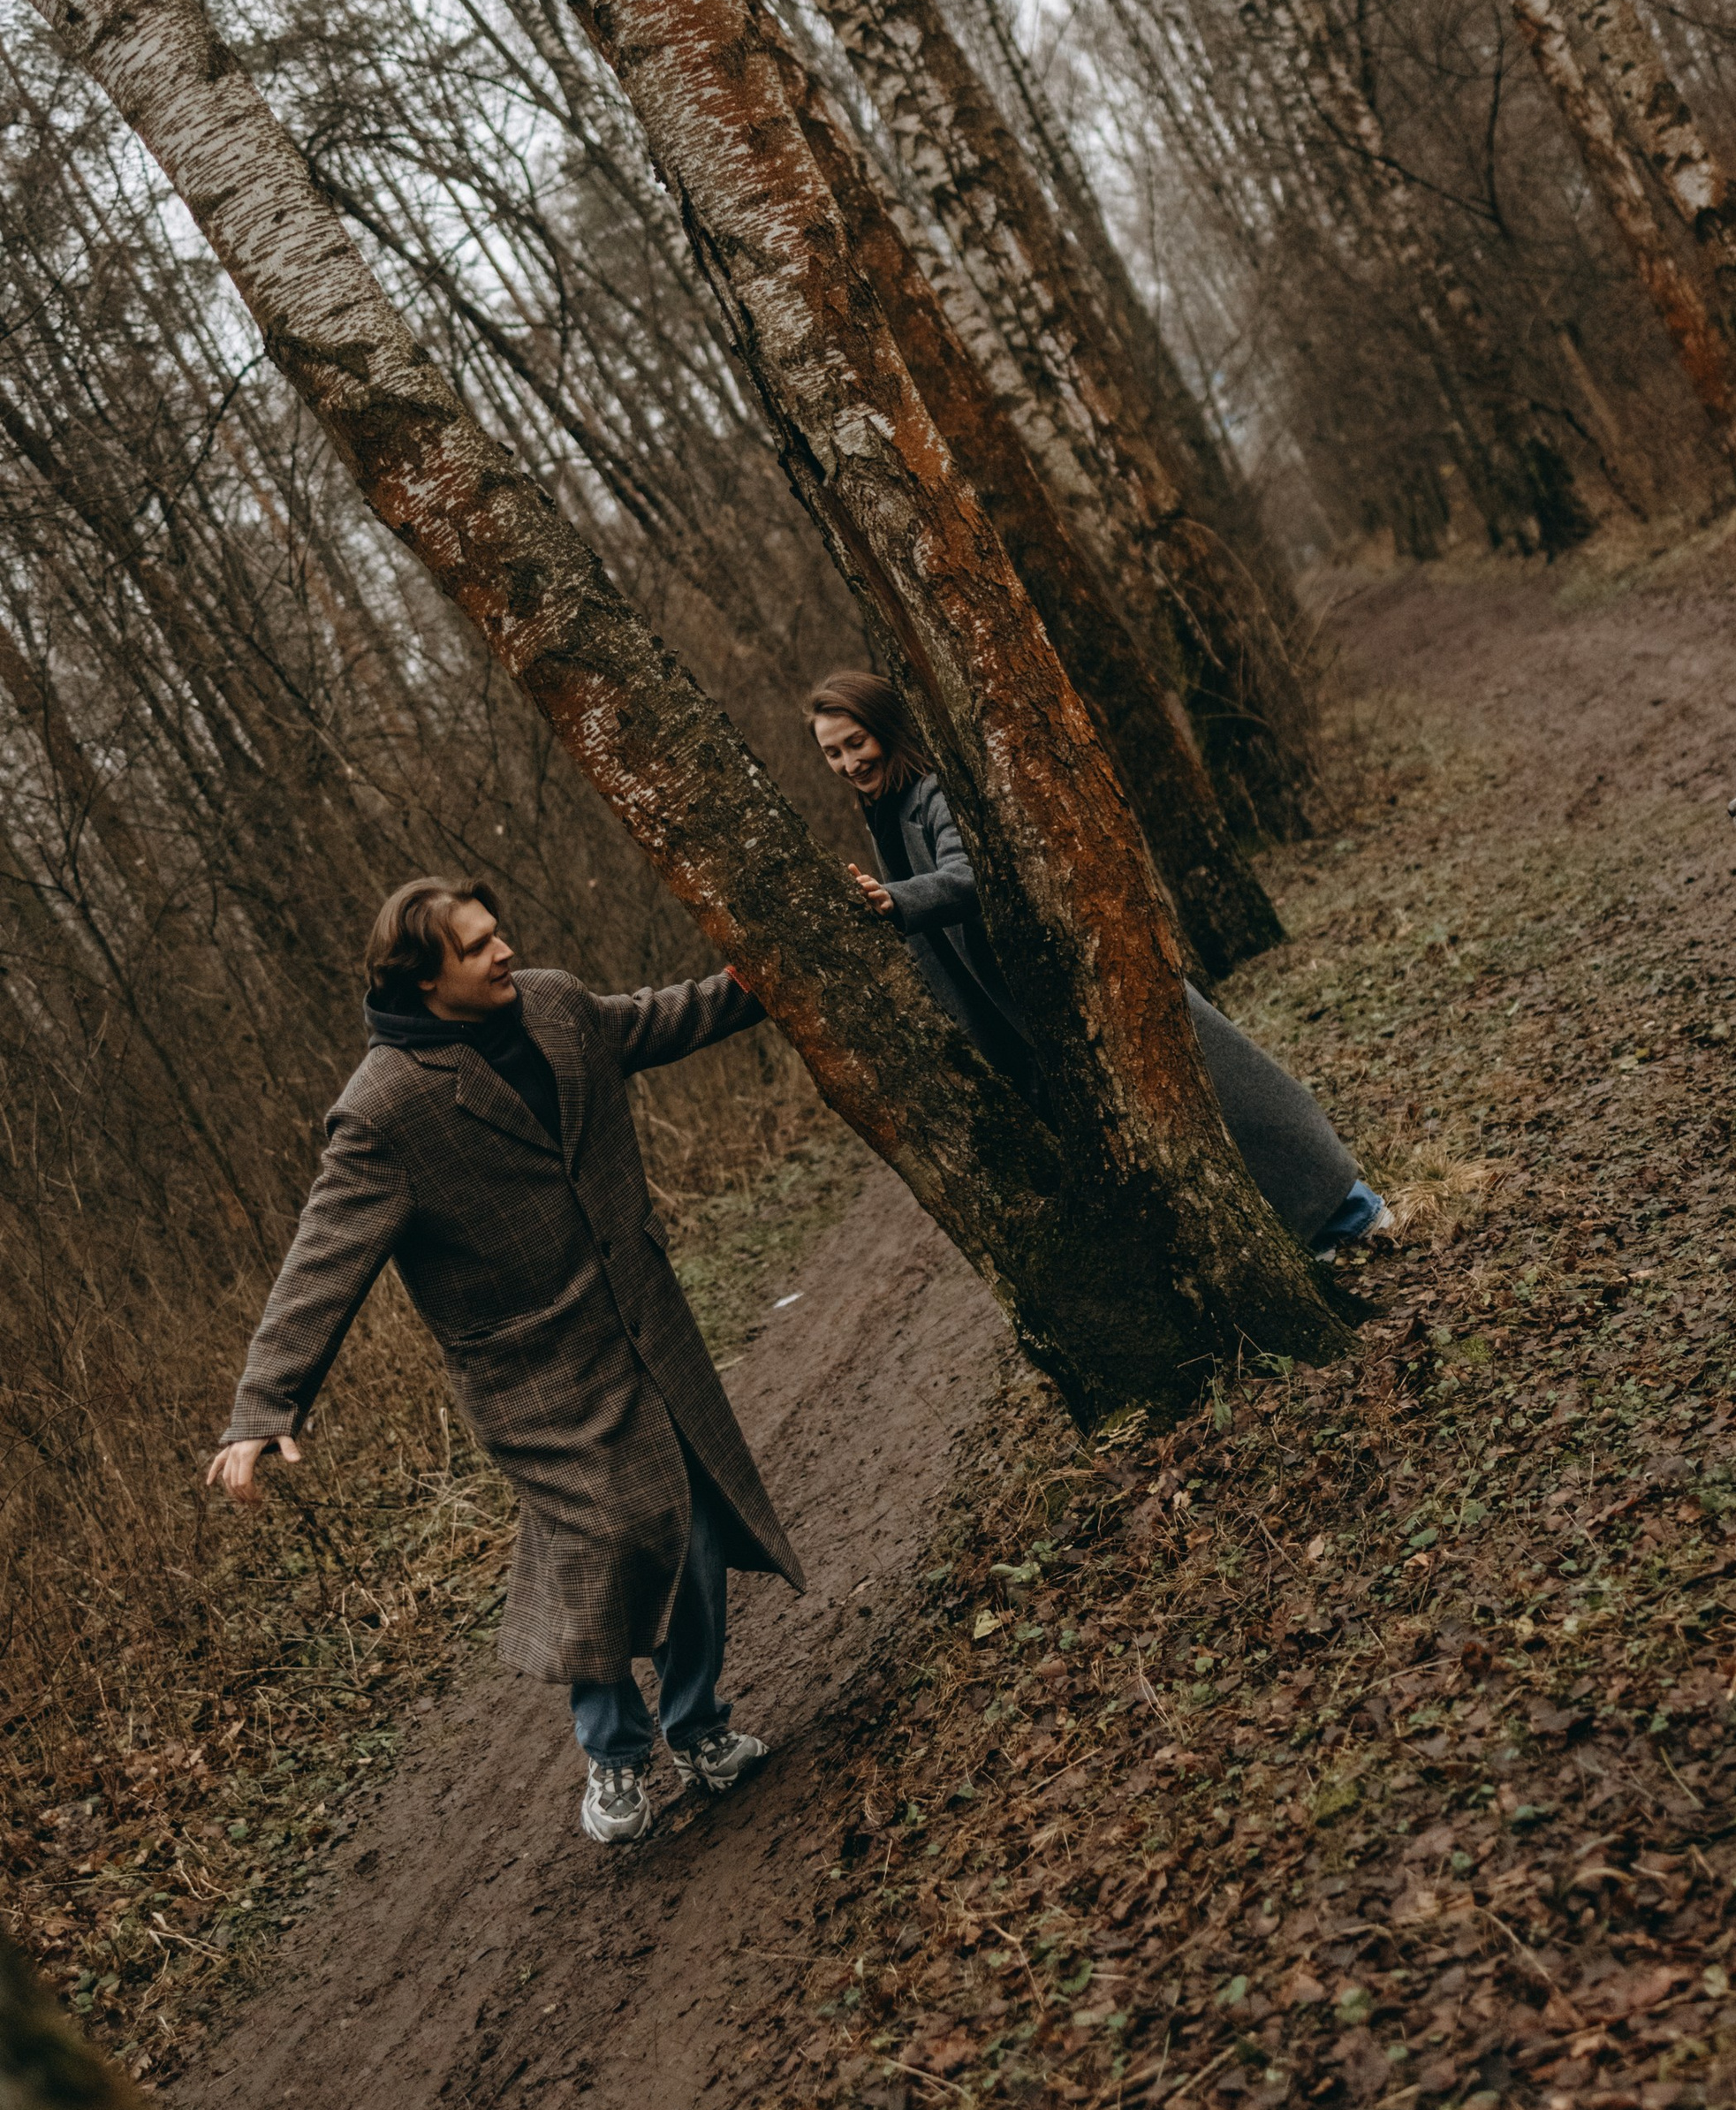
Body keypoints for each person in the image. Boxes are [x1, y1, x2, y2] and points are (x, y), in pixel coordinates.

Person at [208, 877, 804, 1850]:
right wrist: (263, 1406)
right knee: (605, 1539)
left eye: (498, 935)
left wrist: (771, 973)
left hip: (643, 1325)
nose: (503, 953)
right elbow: (320, 1262)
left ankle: (697, 1727)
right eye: (477, 946)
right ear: (423, 978)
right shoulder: (382, 1108)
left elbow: (666, 1017)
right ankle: (614, 1752)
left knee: (690, 1536)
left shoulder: (559, 1006)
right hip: (530, 1374)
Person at [807, 670, 1390, 1252]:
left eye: (856, 743)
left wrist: (897, 899)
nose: (848, 764)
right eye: (832, 753)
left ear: (887, 728)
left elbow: (968, 875)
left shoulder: (932, 792)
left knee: (1223, 1087)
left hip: (1076, 979)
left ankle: (1352, 1213)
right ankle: (1300, 1236)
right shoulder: (885, 812)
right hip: (1029, 1016)